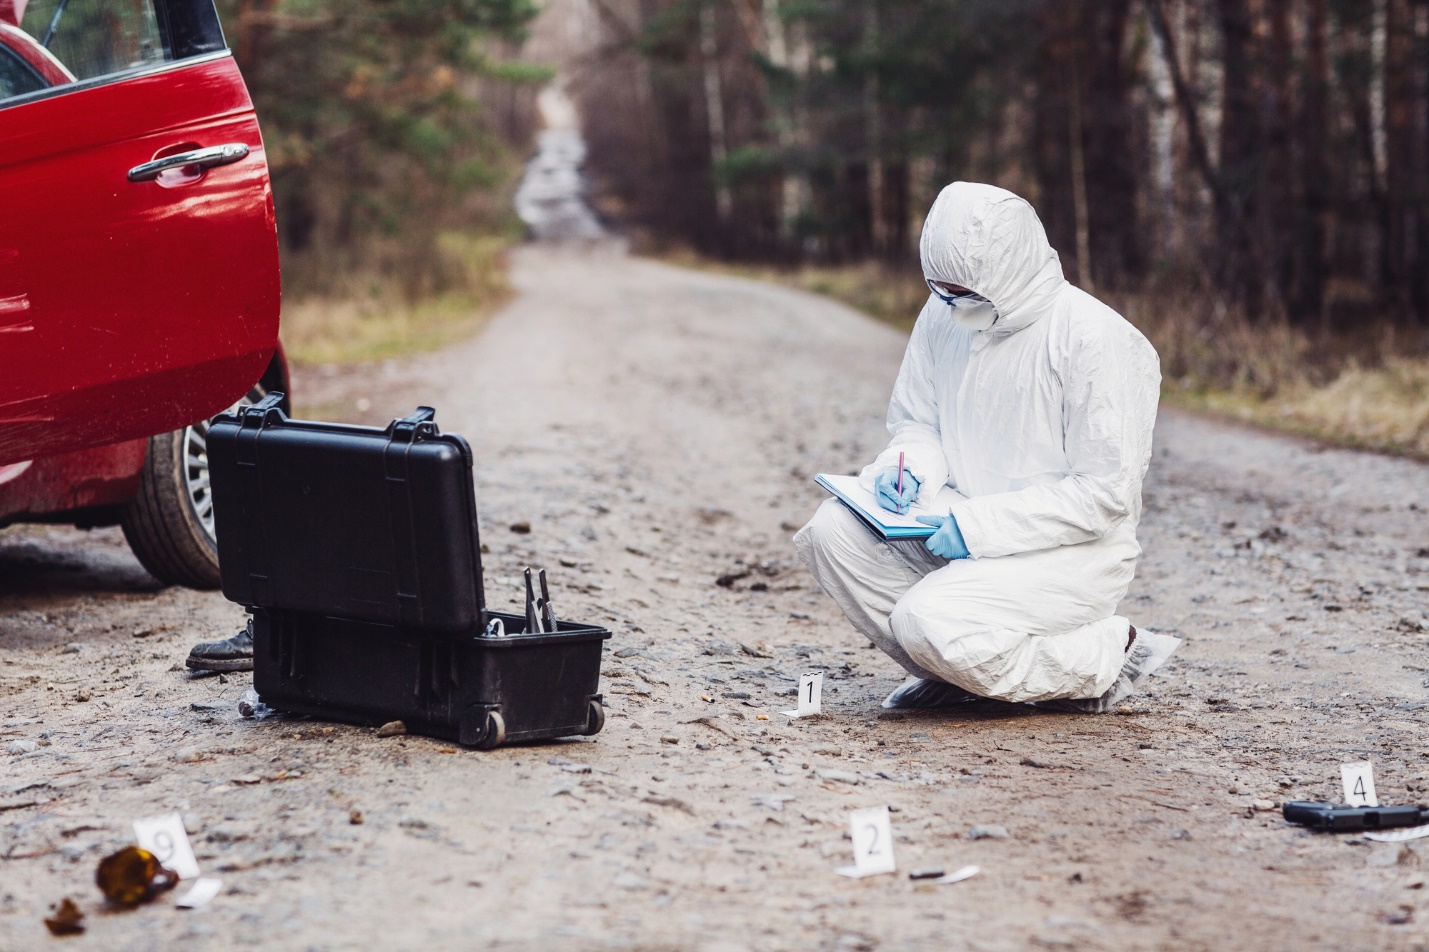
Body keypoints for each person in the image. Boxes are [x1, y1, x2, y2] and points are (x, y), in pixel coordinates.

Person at [794, 181, 1178, 712]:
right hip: (962, 525)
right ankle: (955, 677)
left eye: (966, 295)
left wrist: (978, 529)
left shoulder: (1096, 340)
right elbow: (917, 422)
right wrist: (909, 468)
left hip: (1065, 552)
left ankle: (1103, 660)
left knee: (922, 619)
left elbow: (1102, 494)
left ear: (1009, 274)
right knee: (830, 531)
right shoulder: (944, 314)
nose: (952, 307)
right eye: (941, 292)